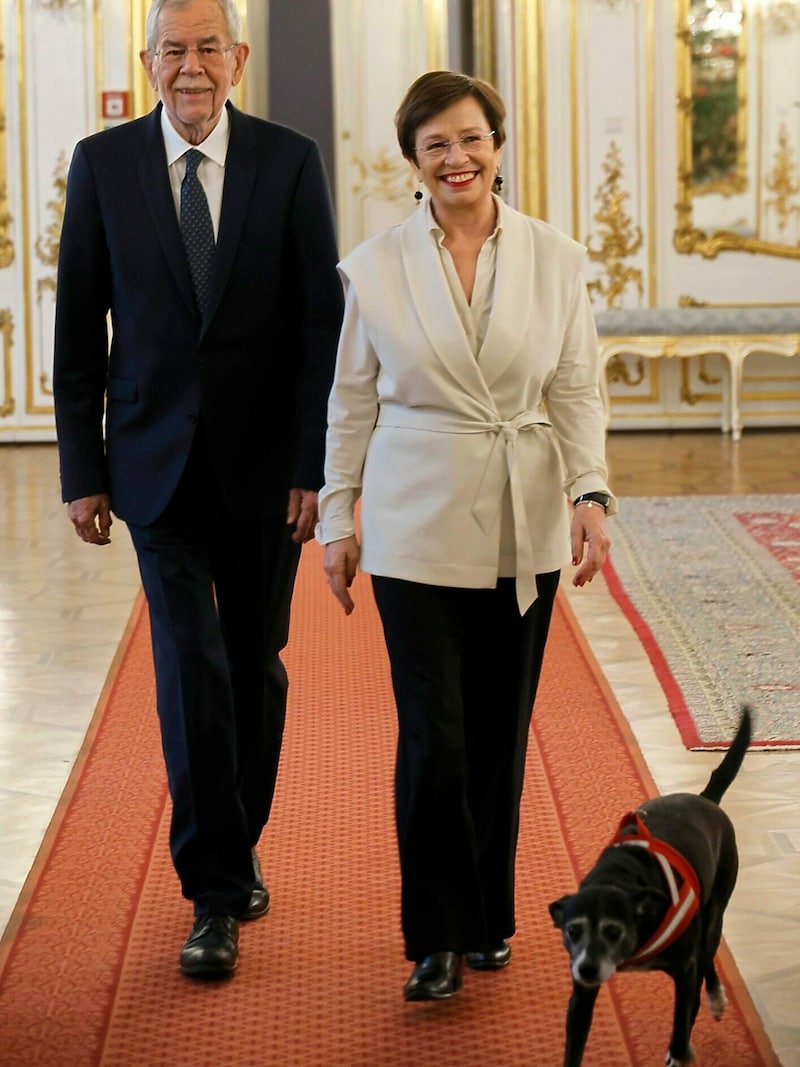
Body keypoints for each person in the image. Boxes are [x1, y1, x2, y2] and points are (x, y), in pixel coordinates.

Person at [53, 0, 343, 979]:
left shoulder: (289, 160)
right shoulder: (102, 165)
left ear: (239, 58)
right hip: (152, 467)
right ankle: (213, 891)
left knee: (254, 662)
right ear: (148, 62)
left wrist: (314, 466)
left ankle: (238, 834)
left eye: (207, 48)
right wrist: (81, 472)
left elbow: (319, 330)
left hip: (266, 473)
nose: (190, 67)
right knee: (190, 666)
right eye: (172, 50)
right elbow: (76, 333)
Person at [317, 70, 615, 1001]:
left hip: (521, 522)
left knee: (497, 733)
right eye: (437, 144)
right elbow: (351, 399)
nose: (458, 158)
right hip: (413, 526)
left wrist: (591, 493)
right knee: (435, 736)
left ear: (498, 146)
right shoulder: (375, 266)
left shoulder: (557, 259)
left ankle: (488, 915)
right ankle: (435, 934)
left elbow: (574, 387)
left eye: (473, 139)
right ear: (413, 160)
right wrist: (337, 515)